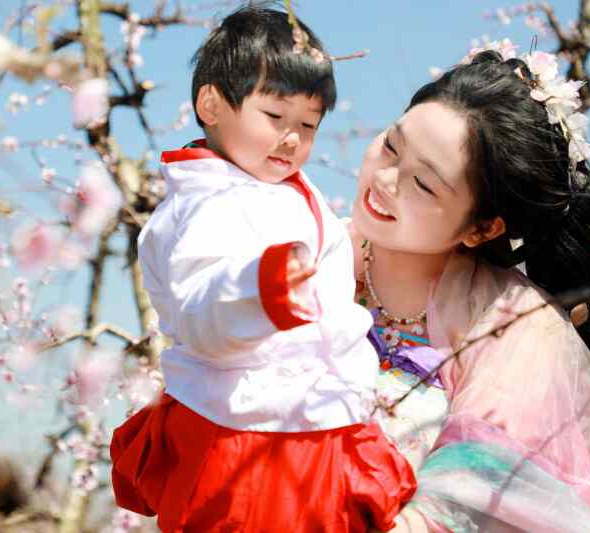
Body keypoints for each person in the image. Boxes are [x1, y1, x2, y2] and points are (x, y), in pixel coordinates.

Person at [110, 6, 415, 533]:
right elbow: (201, 307)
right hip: (245, 431)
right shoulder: (202, 205)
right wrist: (261, 288)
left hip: (322, 418)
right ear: (211, 104)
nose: (291, 139)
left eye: (308, 125)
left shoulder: (283, 189)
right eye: (275, 117)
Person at [349, 45, 590, 531]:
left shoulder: (515, 325)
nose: (385, 180)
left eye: (424, 184)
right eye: (391, 145)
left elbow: (472, 497)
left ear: (482, 228)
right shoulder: (309, 248)